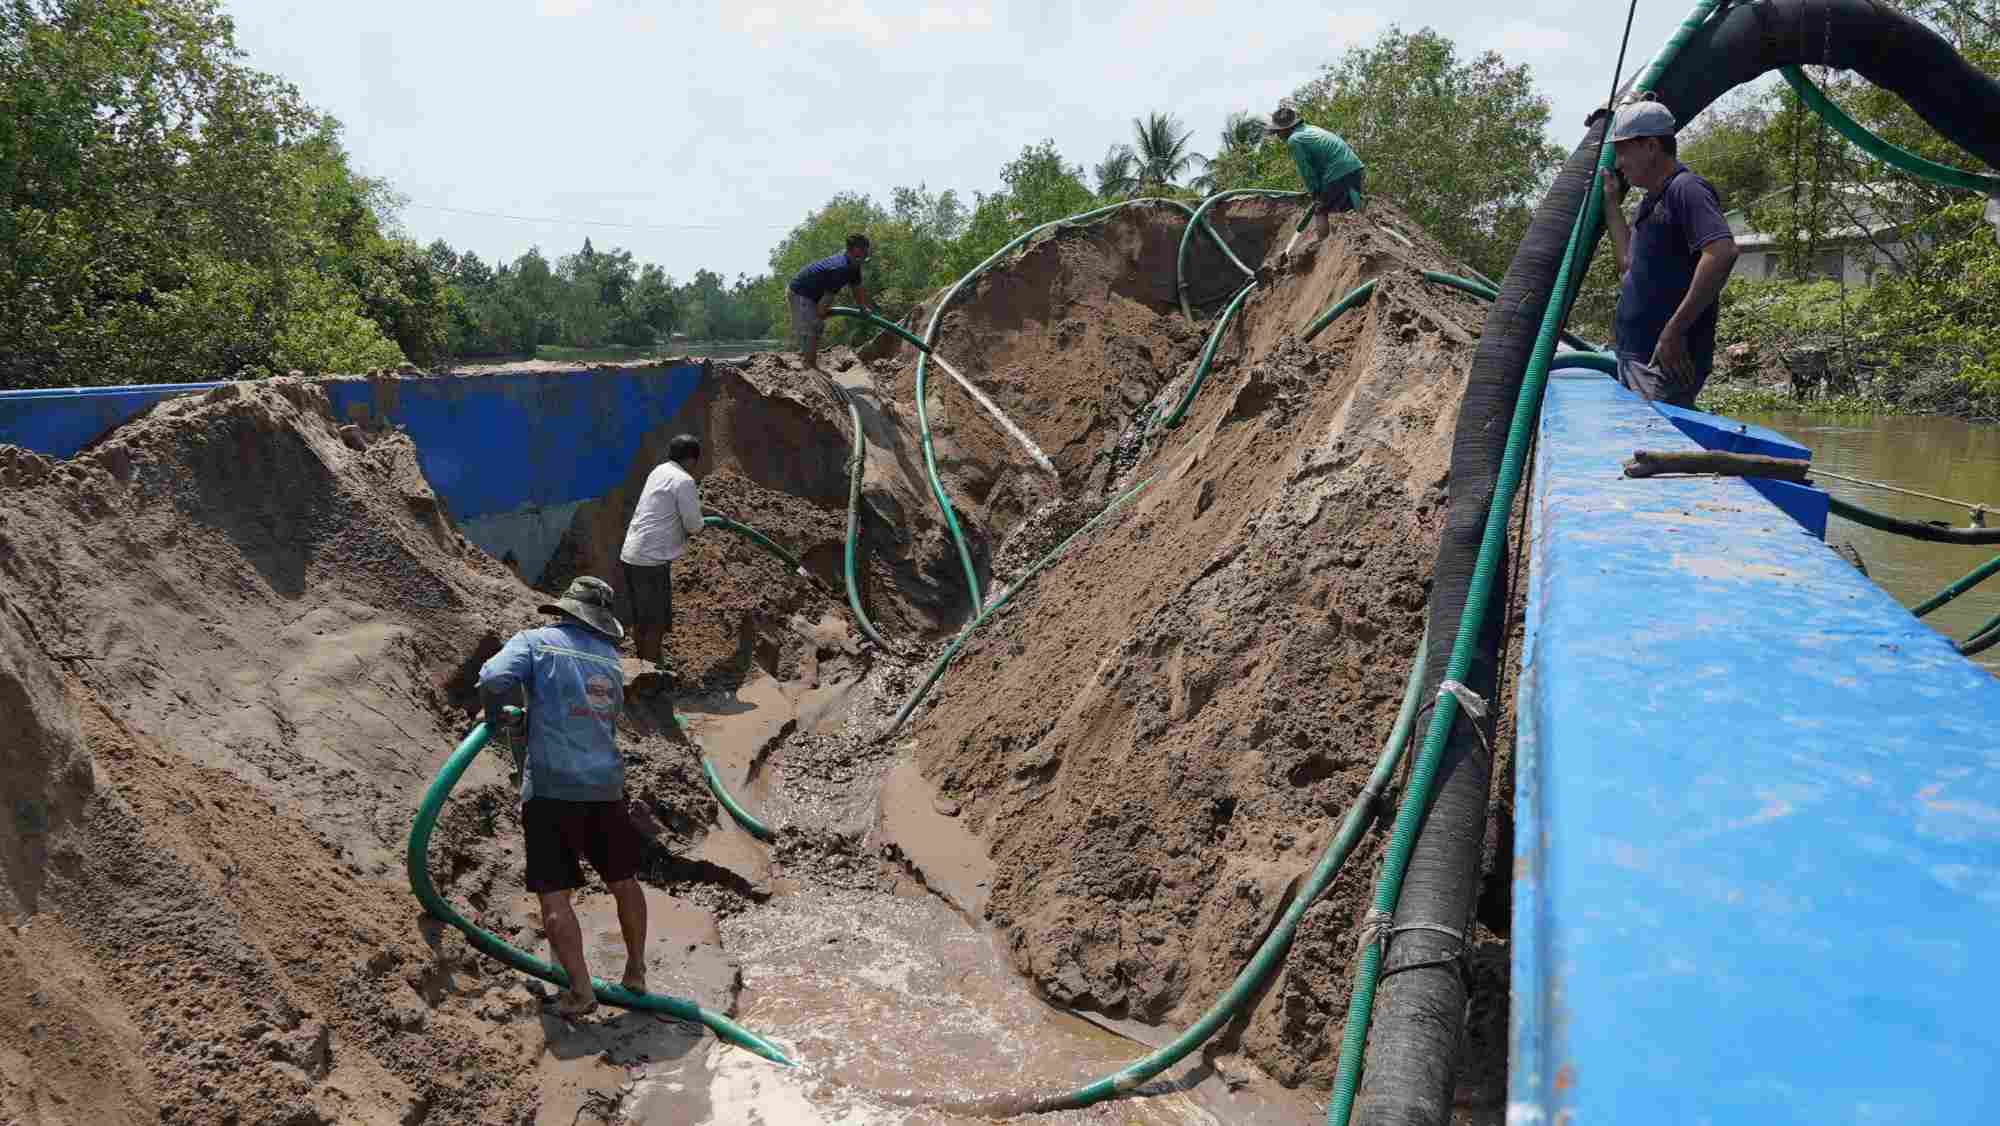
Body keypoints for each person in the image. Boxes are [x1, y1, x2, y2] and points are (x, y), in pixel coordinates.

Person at [477, 576, 647, 1018]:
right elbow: (598, 716)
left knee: (554, 897)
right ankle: (636, 972)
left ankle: (581, 991)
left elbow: (494, 677)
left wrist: (503, 717)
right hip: (606, 787)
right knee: (624, 882)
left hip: (553, 788)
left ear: (567, 609)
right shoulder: (611, 661)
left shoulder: (535, 642)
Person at [1600, 97, 1741, 408]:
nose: (1619, 163)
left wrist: (1673, 331)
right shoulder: (1651, 202)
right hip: (1636, 357)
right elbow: (1627, 266)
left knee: (1653, 447)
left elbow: (1722, 251)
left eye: (1623, 151)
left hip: (1662, 361)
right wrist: (1611, 205)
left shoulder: (1686, 189)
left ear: (1651, 146)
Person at [619, 434, 704, 685]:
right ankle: (651, 679)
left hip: (632, 554)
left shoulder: (660, 471)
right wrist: (701, 520)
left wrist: (704, 509)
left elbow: (665, 506)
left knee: (641, 619)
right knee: (655, 621)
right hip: (651, 561)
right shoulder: (685, 480)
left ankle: (645, 667)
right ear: (691, 459)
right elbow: (694, 525)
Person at [1267, 104, 1366, 246]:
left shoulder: (1294, 140)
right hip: (1354, 166)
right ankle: (1360, 235)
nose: (1277, 135)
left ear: (1284, 130)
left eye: (1277, 132)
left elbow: (1306, 171)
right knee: (1351, 206)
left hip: (1337, 172)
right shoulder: (1310, 129)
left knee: (1320, 210)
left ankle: (1322, 247)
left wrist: (1314, 193)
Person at [787, 233, 876, 374]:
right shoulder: (841, 268)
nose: (865, 255)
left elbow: (857, 287)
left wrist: (862, 308)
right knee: (813, 326)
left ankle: (809, 363)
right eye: (863, 251)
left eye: (866, 252)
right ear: (854, 250)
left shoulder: (854, 263)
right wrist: (822, 313)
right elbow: (824, 304)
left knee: (816, 324)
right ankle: (810, 368)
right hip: (801, 293)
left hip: (813, 293)